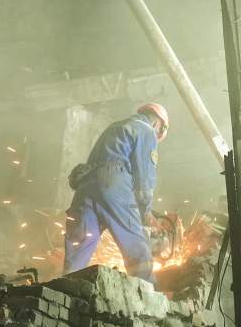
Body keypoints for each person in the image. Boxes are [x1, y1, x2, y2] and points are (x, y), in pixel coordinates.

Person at [63, 103, 169, 281]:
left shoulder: (115, 126)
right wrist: (146, 211)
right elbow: (144, 177)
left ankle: (63, 293)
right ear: (158, 124)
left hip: (85, 185)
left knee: (78, 246)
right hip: (114, 184)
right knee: (136, 245)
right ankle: (151, 298)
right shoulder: (146, 131)